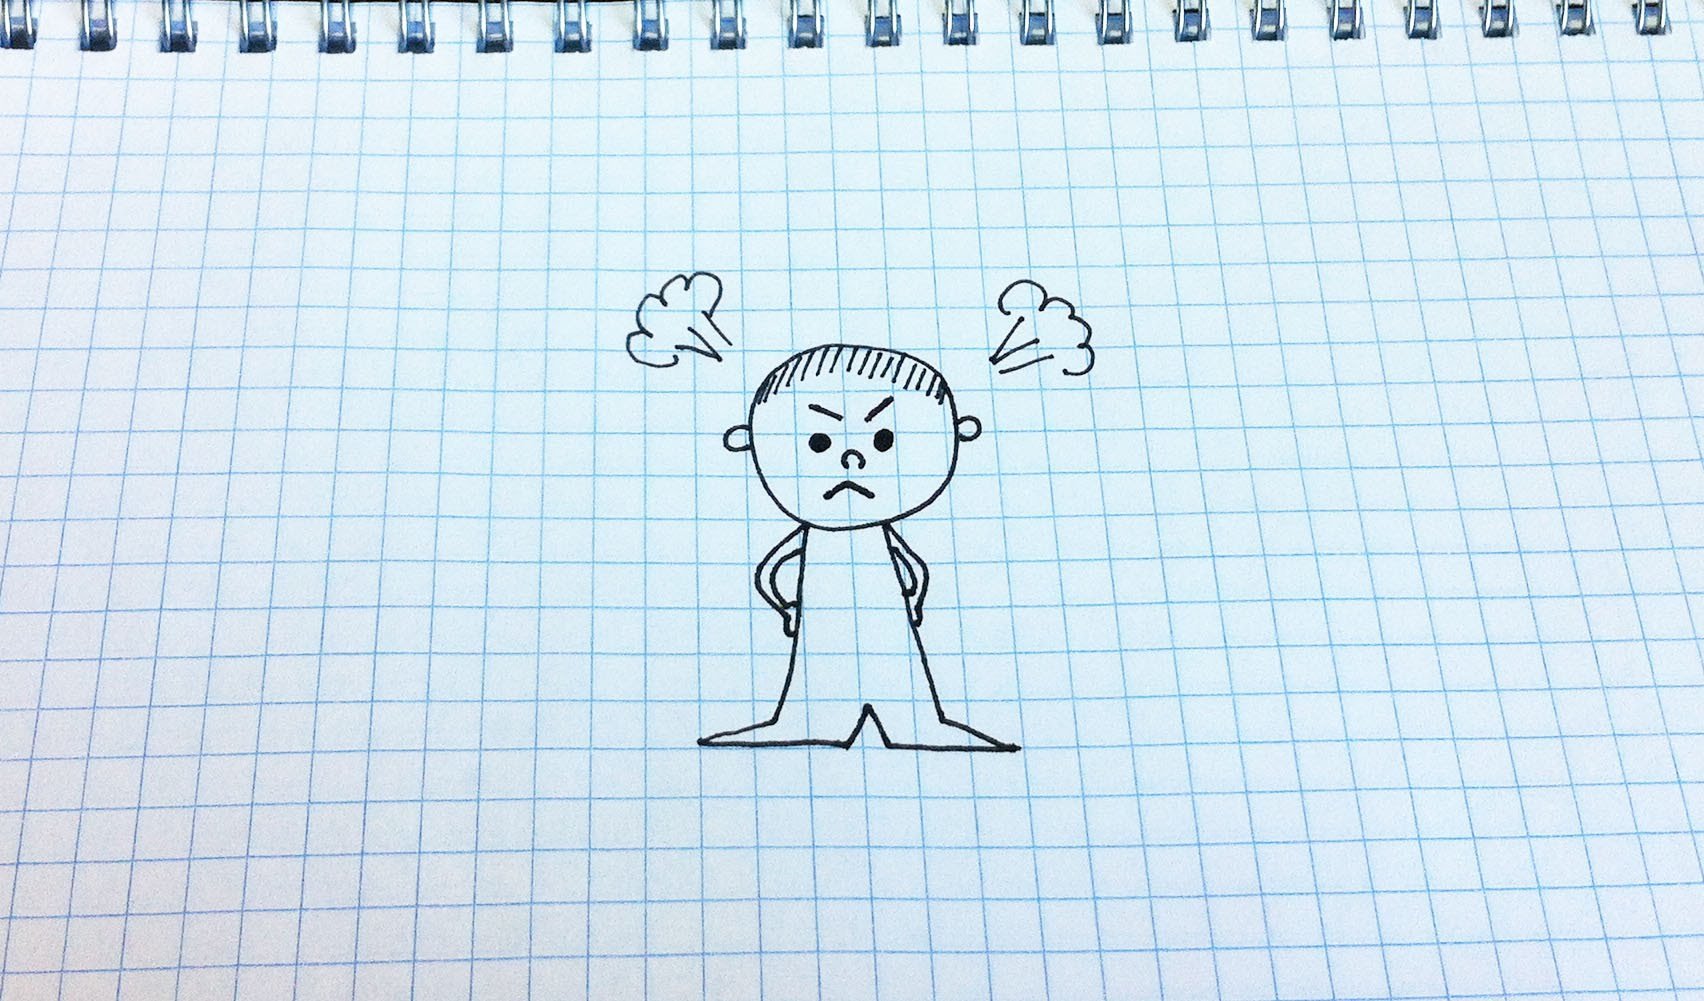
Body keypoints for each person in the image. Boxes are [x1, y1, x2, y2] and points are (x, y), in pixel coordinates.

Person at [700, 344, 1018, 751]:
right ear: (750, 441)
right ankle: (812, 715)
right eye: (819, 442)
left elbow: (913, 570)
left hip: (888, 622)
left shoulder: (877, 540)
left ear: (957, 433)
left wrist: (914, 599)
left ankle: (916, 717)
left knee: (899, 661)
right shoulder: (816, 539)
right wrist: (788, 608)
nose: (851, 459)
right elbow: (771, 573)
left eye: (883, 439)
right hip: (822, 617)